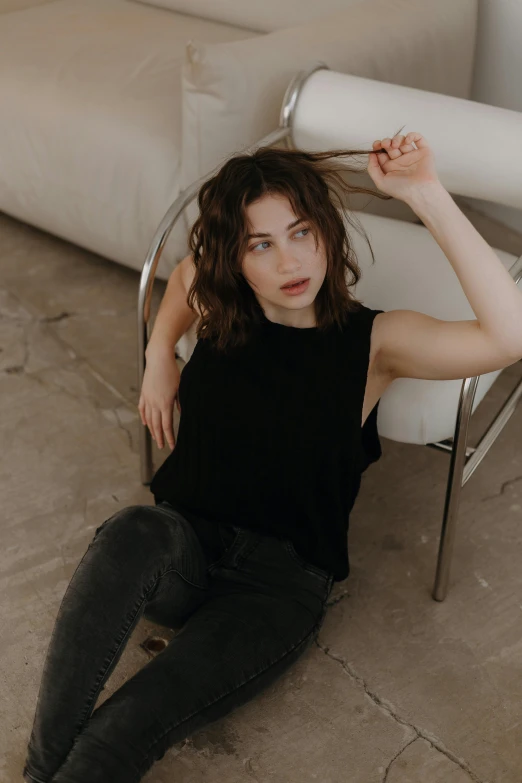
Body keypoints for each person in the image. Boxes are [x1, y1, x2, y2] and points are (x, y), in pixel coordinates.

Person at [25, 131, 517, 782]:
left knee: (124, 729)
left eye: (302, 231)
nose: (290, 259)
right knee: (131, 529)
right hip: (185, 548)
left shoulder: (375, 344)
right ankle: (40, 769)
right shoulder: (222, 303)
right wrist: (157, 358)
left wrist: (425, 192)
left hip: (273, 592)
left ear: (327, 235)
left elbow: (508, 336)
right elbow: (187, 278)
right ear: (236, 257)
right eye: (261, 243)